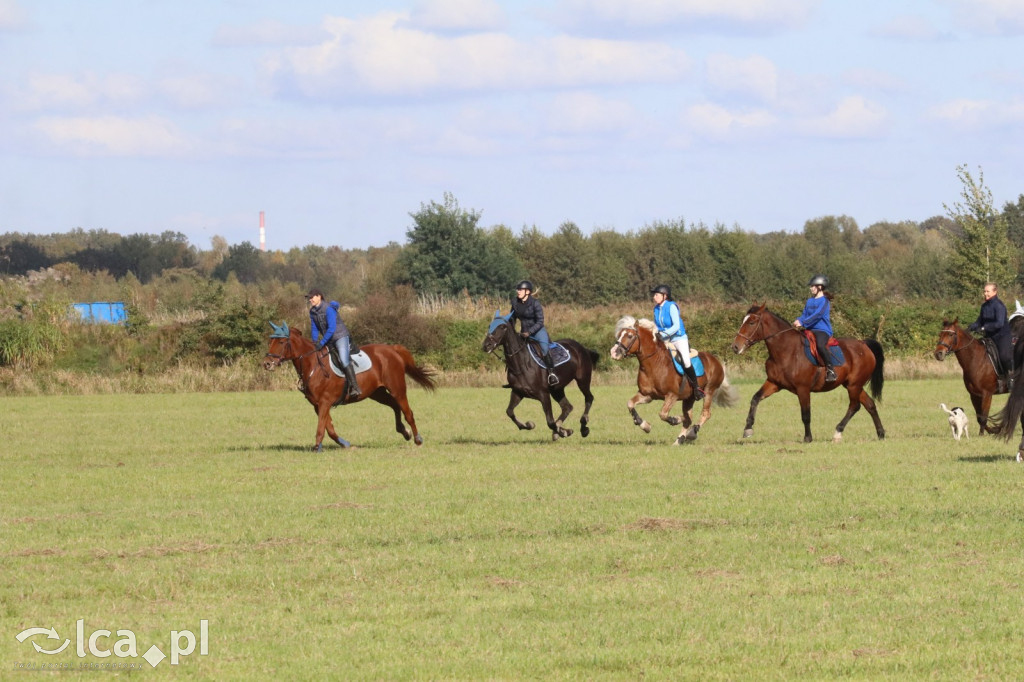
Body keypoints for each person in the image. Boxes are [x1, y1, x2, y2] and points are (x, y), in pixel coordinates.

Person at [650, 284, 705, 400]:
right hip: (665, 339)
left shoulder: (671, 306)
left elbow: (676, 326)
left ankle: (697, 388)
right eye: (654, 295)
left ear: (665, 296)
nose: (654, 297)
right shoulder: (656, 309)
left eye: (656, 295)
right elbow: (657, 325)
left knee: (686, 361)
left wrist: (663, 334)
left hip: (679, 338)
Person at [307, 288, 361, 400]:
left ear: (319, 296)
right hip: (329, 339)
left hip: (340, 336)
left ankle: (355, 387)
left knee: (344, 360)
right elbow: (314, 328)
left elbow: (331, 329)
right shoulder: (312, 312)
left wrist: (321, 342)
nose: (310, 300)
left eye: (312, 297)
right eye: (309, 298)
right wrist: (314, 341)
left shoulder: (329, 309)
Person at [509, 280, 558, 385]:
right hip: (523, 332)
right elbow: (512, 319)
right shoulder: (515, 303)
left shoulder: (535, 303)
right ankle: (515, 378)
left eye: (520, 289)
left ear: (527, 292)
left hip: (538, 331)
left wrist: (530, 332)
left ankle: (551, 374)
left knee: (544, 349)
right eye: (518, 289)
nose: (518, 291)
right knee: (515, 350)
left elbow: (540, 321)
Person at [792, 274, 836, 382]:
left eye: (813, 286)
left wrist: (803, 322)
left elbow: (818, 315)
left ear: (820, 287)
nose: (811, 288)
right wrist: (798, 320)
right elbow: (804, 314)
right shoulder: (809, 301)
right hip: (809, 329)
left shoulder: (824, 301)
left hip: (822, 330)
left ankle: (831, 370)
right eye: (811, 286)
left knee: (820, 346)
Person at [968, 282, 1013, 379]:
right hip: (989, 337)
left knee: (1004, 357)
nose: (985, 293)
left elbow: (999, 323)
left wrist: (984, 328)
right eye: (984, 291)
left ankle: (1011, 378)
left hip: (1002, 336)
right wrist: (970, 328)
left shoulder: (999, 306)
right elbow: (979, 321)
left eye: (988, 291)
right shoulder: (984, 306)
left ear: (995, 292)